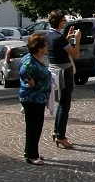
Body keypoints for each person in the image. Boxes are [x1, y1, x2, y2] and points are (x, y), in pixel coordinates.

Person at [46, 10, 81, 149]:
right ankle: (61, 136)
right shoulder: (58, 37)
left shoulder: (49, 35)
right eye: (63, 20)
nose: (65, 22)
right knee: (64, 105)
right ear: (59, 21)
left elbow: (58, 47)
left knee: (61, 103)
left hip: (54, 70)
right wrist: (77, 39)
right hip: (63, 71)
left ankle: (56, 131)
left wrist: (67, 38)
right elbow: (75, 54)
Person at [19, 33, 52, 165]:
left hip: (39, 98)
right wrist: (29, 81)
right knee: (33, 127)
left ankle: (33, 152)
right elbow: (22, 71)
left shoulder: (36, 58)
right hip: (31, 99)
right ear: (39, 48)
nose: (47, 46)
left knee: (37, 126)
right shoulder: (29, 60)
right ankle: (31, 156)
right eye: (45, 45)